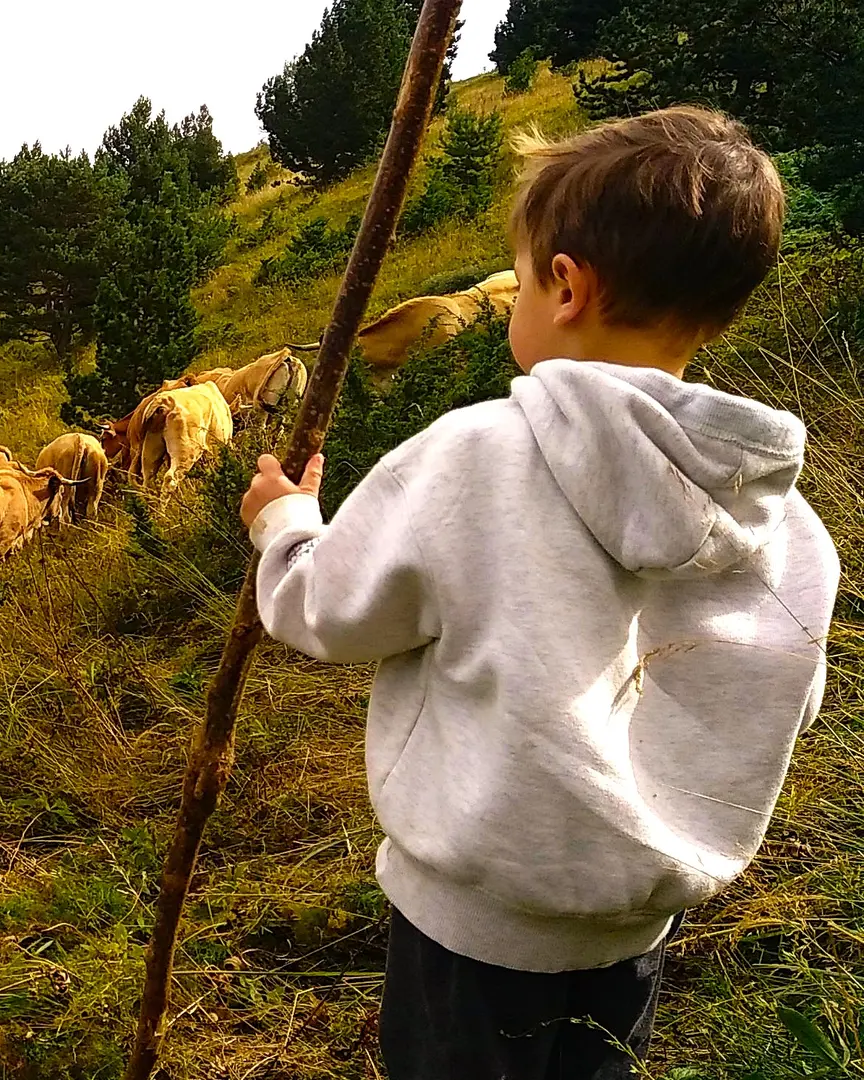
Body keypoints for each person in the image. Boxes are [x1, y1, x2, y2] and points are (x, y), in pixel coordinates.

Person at [239, 106, 839, 1078]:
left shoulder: (476, 456)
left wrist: (284, 528)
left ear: (565, 285)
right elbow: (790, 696)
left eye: (519, 278)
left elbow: (329, 614)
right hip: (636, 929)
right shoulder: (782, 515)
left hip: (473, 933)